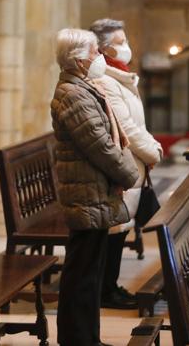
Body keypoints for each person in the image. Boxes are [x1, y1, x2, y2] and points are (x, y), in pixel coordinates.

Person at [51, 28, 139, 346]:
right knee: (82, 274)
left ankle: (87, 338)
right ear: (77, 59)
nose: (99, 57)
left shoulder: (82, 87)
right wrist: (130, 174)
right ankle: (77, 339)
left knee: (90, 273)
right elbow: (100, 146)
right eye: (93, 52)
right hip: (86, 193)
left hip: (93, 192)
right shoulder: (73, 95)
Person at [89, 18, 163, 310]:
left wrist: (150, 147)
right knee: (114, 233)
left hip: (134, 167)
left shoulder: (121, 76)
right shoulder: (105, 80)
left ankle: (110, 287)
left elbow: (137, 124)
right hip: (122, 167)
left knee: (121, 231)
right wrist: (153, 152)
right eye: (120, 42)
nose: (126, 46)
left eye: (125, 40)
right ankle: (106, 291)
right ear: (105, 49)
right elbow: (127, 129)